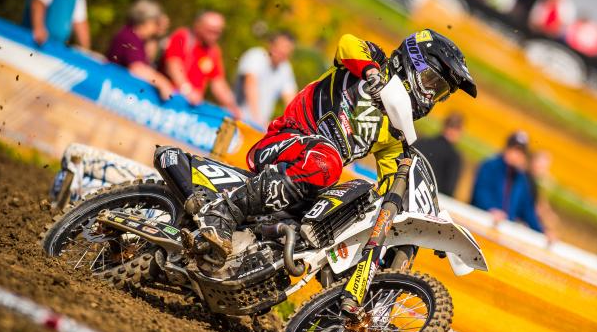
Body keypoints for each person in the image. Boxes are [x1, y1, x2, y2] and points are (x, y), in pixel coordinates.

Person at [155, 30, 477, 274]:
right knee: (327, 162)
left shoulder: (394, 132)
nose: (431, 95)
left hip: (309, 180)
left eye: (440, 93)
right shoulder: (373, 61)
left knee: (358, 204)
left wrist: (423, 223)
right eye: (432, 83)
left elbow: (392, 185)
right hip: (285, 142)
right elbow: (347, 44)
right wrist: (371, 74)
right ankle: (224, 213)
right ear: (412, 63)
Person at [160, 11, 239, 112]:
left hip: (190, 107)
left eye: (218, 32)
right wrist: (187, 91)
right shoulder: (182, 37)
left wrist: (231, 105)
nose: (214, 36)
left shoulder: (213, 51)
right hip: (168, 100)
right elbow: (173, 65)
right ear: (198, 26)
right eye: (210, 30)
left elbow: (217, 82)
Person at [470, 131, 543, 232]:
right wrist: (491, 209)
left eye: (521, 152)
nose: (518, 155)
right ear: (507, 148)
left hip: (504, 229)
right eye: (515, 150)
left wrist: (542, 230)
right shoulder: (489, 166)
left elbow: (527, 210)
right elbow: (481, 192)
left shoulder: (521, 180)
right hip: (480, 223)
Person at [106, 0, 175, 100]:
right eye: (156, 23)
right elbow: (137, 68)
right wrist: (162, 83)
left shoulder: (137, 39)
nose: (156, 28)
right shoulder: (129, 37)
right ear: (146, 21)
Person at [234, 31, 298, 127]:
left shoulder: (285, 68)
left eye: (286, 52)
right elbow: (250, 85)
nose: (283, 53)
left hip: (258, 125)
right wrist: (257, 119)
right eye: (280, 50)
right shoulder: (256, 56)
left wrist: (294, 123)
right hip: (237, 118)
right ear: (271, 45)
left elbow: (291, 100)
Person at [413, 112, 464, 196]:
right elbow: (449, 189)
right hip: (431, 198)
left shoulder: (423, 142)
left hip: (410, 190)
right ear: (458, 130)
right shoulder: (454, 157)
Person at [526, 150, 558, 242]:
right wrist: (543, 230)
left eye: (544, 168)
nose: (542, 170)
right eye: (540, 166)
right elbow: (530, 210)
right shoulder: (525, 181)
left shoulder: (536, 184)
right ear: (533, 162)